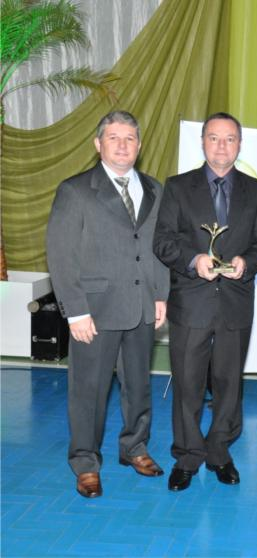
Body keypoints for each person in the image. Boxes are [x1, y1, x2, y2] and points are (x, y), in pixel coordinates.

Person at [46, 110, 169, 498]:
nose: (122, 145)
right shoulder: (76, 190)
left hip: (142, 307)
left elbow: (159, 248)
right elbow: (60, 254)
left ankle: (135, 447)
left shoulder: (154, 189)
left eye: (130, 138)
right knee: (89, 391)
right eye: (113, 138)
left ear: (139, 145)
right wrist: (76, 310)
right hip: (94, 312)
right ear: (98, 144)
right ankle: (85, 463)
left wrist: (161, 294)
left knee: (139, 386)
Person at [153, 112, 257, 491]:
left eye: (230, 139)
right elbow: (163, 240)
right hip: (191, 301)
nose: (222, 146)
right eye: (214, 138)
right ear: (202, 142)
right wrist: (194, 260)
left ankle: (219, 450)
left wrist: (247, 262)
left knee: (228, 383)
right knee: (187, 383)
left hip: (236, 300)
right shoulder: (177, 187)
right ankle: (188, 454)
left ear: (240, 145)